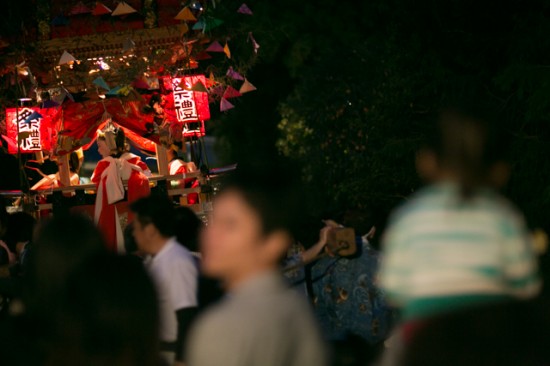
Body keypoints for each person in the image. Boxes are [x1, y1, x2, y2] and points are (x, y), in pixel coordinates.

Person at [379, 107, 541, 326]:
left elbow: (392, 289)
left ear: (426, 161)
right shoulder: (503, 215)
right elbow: (527, 287)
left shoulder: (408, 218)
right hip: (490, 332)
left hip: (427, 336)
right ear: (497, 168)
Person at [187, 170, 328, 366]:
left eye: (230, 224)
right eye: (214, 222)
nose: (212, 235)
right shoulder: (295, 309)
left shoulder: (220, 326)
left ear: (273, 242)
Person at [131, 195, 198, 365]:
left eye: (137, 227)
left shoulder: (177, 261)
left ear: (151, 230)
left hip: (174, 352)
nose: (134, 234)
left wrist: (180, 360)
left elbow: (187, 314)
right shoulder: (155, 260)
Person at [91, 126, 150, 252]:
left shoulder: (104, 166)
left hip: (112, 210)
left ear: (109, 145)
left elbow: (94, 182)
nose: (99, 150)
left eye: (100, 146)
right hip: (133, 209)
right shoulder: (135, 162)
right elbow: (148, 176)